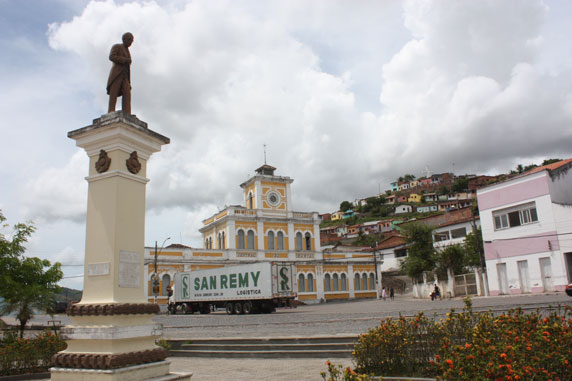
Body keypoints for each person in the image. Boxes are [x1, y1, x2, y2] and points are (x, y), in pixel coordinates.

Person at [107, 32, 134, 114]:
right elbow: (112, 57)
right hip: (117, 73)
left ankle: (127, 112)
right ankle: (111, 110)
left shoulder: (128, 51)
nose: (130, 42)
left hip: (125, 75)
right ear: (124, 39)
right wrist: (124, 60)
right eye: (129, 39)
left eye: (132, 40)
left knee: (127, 93)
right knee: (114, 92)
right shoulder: (117, 46)